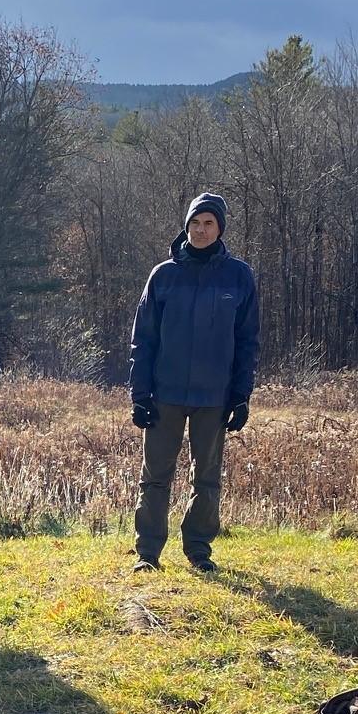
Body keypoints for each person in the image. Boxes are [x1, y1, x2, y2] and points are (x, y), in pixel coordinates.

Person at [128, 191, 259, 573]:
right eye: (195, 223)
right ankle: (147, 553)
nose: (201, 230)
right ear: (185, 226)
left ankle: (199, 551)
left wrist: (240, 395)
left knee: (207, 479)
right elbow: (143, 339)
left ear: (220, 229)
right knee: (154, 478)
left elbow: (248, 340)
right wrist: (139, 394)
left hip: (214, 397)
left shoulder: (239, 276)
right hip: (164, 394)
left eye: (209, 224)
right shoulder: (163, 276)